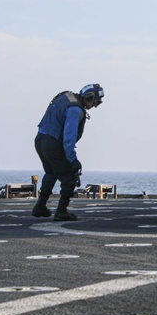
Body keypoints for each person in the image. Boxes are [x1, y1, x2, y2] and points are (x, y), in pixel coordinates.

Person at [32, 83, 104, 222]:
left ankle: (40, 206)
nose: (94, 106)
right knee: (70, 176)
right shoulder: (75, 110)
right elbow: (68, 138)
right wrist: (73, 159)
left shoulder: (65, 97)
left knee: (51, 172)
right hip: (53, 143)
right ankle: (61, 211)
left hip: (40, 140)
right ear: (90, 97)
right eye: (95, 102)